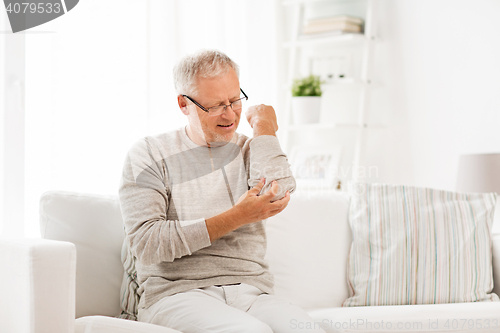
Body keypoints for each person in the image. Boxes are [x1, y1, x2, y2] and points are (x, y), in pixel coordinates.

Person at [118, 49, 326, 333]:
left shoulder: (248, 149)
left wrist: (264, 126)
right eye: (215, 105)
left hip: (252, 293)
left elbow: (279, 192)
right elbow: (146, 243)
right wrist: (236, 216)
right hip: (178, 294)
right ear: (184, 104)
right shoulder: (149, 154)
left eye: (235, 100)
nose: (230, 114)